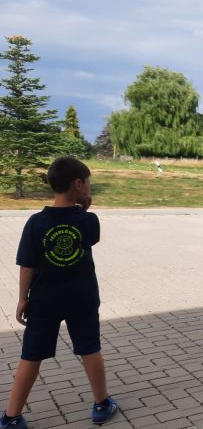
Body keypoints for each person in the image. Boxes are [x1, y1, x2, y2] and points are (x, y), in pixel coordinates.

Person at [1, 157, 117, 429]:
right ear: (77, 184)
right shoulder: (89, 220)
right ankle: (101, 404)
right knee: (90, 348)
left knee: (31, 354)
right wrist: (84, 209)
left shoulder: (35, 222)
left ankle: (11, 416)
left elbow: (26, 265)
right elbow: (90, 236)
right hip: (82, 298)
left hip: (44, 299)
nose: (89, 187)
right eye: (88, 183)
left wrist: (22, 298)